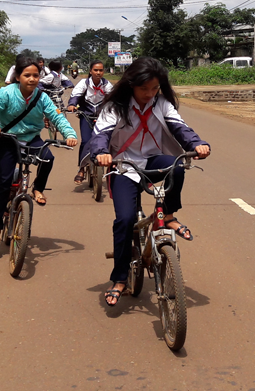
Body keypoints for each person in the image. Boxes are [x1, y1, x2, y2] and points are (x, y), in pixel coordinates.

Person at [88, 57, 210, 306]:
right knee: (124, 220)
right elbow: (101, 134)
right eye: (144, 89)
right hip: (124, 166)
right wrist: (101, 153)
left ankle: (169, 215)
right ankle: (120, 279)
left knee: (176, 167)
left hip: (153, 160)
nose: (149, 94)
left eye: (154, 88)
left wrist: (197, 143)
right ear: (131, 85)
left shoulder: (162, 103)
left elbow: (180, 128)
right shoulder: (115, 107)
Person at [0, 56, 77, 247]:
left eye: (35, 75)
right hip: (8, 139)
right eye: (27, 75)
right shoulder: (6, 93)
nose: (32, 79)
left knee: (48, 158)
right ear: (18, 76)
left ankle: (37, 189)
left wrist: (69, 133)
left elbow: (57, 117)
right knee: (3, 182)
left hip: (32, 139)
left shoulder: (42, 97)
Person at [67, 60, 113, 183]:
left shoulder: (106, 84)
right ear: (91, 71)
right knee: (85, 141)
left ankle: (112, 169)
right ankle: (81, 169)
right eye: (96, 70)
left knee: (107, 140)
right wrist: (72, 105)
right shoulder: (84, 83)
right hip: (86, 114)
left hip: (102, 117)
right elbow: (75, 95)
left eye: (101, 70)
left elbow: (114, 98)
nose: (98, 73)